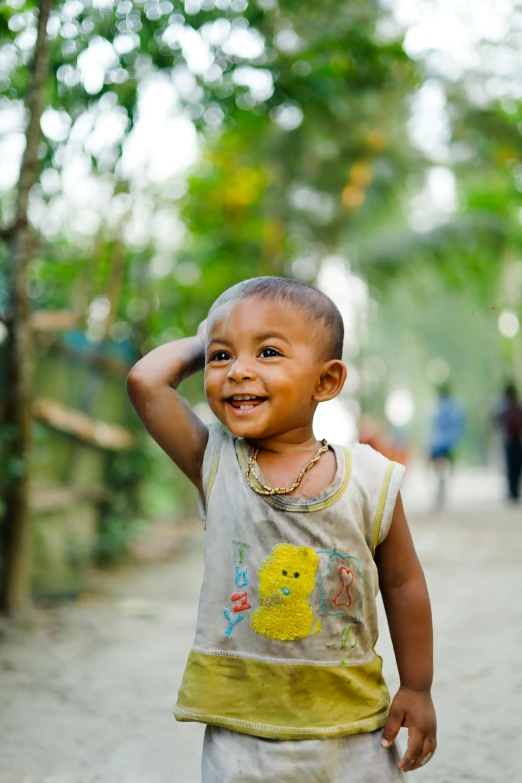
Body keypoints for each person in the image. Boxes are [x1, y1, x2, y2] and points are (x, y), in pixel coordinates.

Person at [127, 277, 436, 783]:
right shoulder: (217, 463)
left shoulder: (370, 479)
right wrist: (204, 339)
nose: (238, 372)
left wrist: (418, 687)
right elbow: (145, 381)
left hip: (352, 726)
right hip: (243, 728)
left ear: (326, 381)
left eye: (267, 352)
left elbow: (404, 585)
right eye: (222, 357)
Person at [428, 384, 465, 510]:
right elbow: (457, 426)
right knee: (449, 470)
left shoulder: (436, 407)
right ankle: (444, 489)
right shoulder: (454, 407)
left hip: (437, 444)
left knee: (438, 470)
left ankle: (440, 488)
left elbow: (432, 426)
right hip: (449, 444)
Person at [495, 383, 522, 502]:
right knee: (516, 467)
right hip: (517, 442)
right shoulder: (518, 407)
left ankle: (512, 491)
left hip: (509, 442)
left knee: (511, 467)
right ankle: (514, 491)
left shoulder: (505, 408)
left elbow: (496, 421)